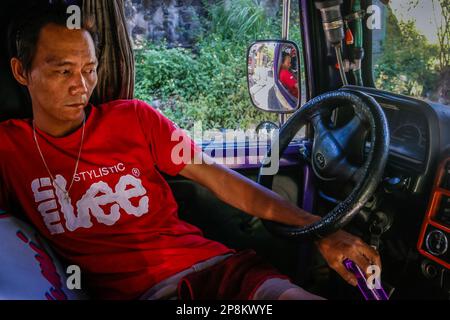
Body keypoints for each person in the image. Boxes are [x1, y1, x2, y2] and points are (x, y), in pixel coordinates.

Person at [0, 3, 380, 300]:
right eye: (62, 71)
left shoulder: (134, 119)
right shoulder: (8, 147)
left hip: (217, 275)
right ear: (21, 72)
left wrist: (317, 230)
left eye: (89, 68)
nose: (81, 86)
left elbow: (221, 179)